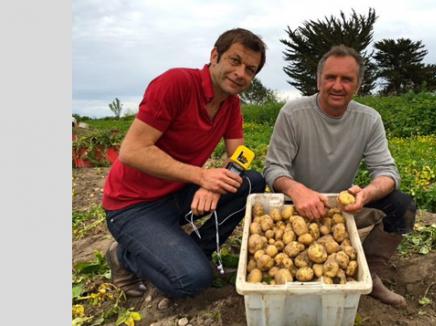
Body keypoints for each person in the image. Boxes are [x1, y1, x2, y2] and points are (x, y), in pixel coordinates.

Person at [101, 28, 267, 301]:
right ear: (215, 56)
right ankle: (123, 256)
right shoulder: (177, 83)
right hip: (132, 206)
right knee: (191, 281)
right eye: (235, 61)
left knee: (253, 181)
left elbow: (241, 156)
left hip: (176, 194)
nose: (241, 73)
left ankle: (191, 253)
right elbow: (131, 151)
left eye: (250, 70)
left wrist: (215, 185)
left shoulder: (231, 104)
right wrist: (201, 176)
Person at [263, 45, 416, 308]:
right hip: (292, 210)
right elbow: (273, 168)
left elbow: (388, 172)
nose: (337, 85)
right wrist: (298, 191)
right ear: (318, 79)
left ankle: (369, 274)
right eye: (330, 77)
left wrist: (366, 193)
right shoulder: (293, 114)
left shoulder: (369, 119)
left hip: (341, 208)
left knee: (402, 206)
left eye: (347, 79)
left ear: (358, 85)